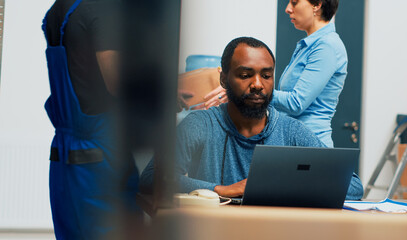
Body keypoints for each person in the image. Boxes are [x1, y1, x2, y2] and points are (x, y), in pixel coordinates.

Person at [140, 37, 363, 200]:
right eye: (245, 75)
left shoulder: (292, 131)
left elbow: (354, 187)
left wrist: (291, 186)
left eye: (266, 76)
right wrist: (220, 189)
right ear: (224, 79)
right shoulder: (200, 125)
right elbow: (151, 178)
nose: (258, 84)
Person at [43, 0, 139, 239]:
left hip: (64, 155)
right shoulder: (101, 8)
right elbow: (117, 83)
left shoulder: (57, 10)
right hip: (100, 156)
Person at [272, 0, 346, 147]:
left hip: (310, 145)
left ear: (317, 5)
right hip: (295, 141)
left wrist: (252, 92)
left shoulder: (326, 46)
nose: (288, 9)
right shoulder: (309, 45)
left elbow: (296, 103)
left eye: (294, 2)